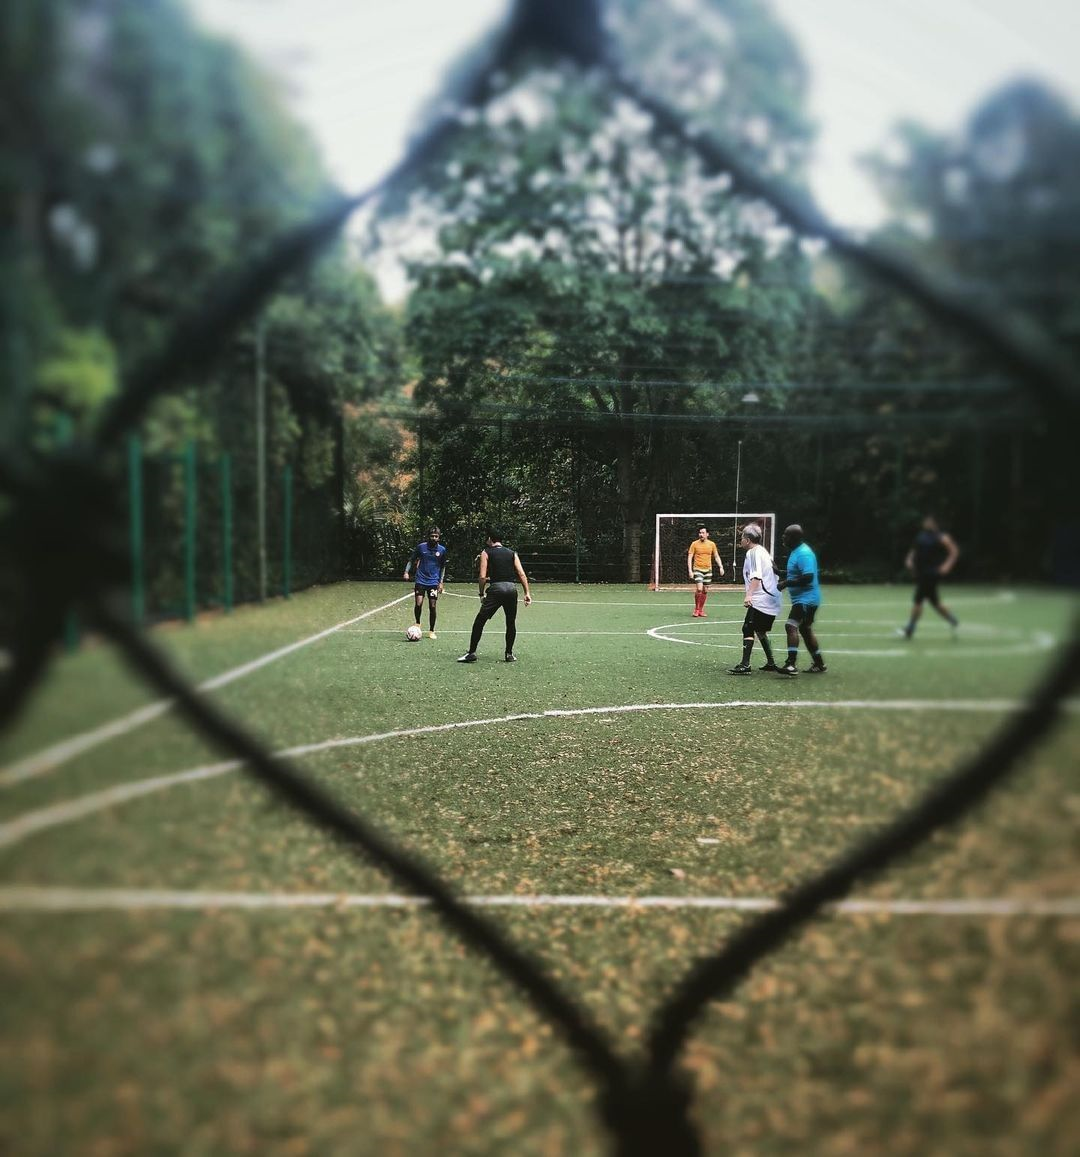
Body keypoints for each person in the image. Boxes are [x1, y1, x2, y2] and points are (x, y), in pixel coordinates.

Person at [458, 529, 532, 663]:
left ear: (490, 539)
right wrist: (527, 593)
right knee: (510, 622)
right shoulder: (512, 553)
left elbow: (482, 576)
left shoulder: (486, 552)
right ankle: (509, 654)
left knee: (480, 621)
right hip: (511, 589)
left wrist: (481, 593)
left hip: (496, 589)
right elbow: (521, 573)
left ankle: (471, 653)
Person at [728, 523, 782, 675]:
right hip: (771, 598)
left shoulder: (753, 553)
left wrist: (749, 595)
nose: (741, 540)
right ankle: (771, 662)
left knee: (748, 628)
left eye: (742, 537)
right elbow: (775, 570)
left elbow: (756, 576)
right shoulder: (763, 551)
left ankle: (745, 665)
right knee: (760, 630)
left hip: (762, 598)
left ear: (748, 539)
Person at [776, 523, 825, 675]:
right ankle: (819, 664)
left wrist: (786, 583)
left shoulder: (804, 553)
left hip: (806, 599)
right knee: (805, 628)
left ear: (794, 538)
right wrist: (779, 572)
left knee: (791, 626)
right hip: (806, 599)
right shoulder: (796, 551)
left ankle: (791, 665)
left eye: (786, 534)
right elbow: (796, 573)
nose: (783, 537)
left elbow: (808, 577)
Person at [901, 515, 959, 638]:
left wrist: (947, 565)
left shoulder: (941, 537)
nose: (927, 524)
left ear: (935, 524)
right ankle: (952, 619)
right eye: (926, 521)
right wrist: (910, 559)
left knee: (918, 599)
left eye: (930, 522)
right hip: (922, 573)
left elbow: (954, 551)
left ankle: (910, 628)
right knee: (935, 602)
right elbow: (914, 550)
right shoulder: (920, 537)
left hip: (931, 573)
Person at [403, 525, 447, 639]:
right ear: (428, 536)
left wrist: (441, 582)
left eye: (436, 536)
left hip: (433, 582)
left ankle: (432, 630)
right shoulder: (421, 547)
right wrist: (406, 572)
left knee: (432, 606)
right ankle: (418, 622)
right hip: (421, 580)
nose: (433, 538)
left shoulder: (442, 550)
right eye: (432, 536)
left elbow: (443, 567)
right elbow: (411, 560)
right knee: (418, 603)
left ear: (439, 537)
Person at [687, 525, 725, 616]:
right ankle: (696, 609)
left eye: (703, 533)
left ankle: (701, 610)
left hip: (708, 570)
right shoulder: (694, 544)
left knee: (705, 590)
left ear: (707, 534)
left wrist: (721, 566)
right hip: (697, 569)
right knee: (699, 589)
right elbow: (690, 557)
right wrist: (690, 570)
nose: (701, 534)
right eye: (700, 533)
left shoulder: (712, 544)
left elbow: (716, 556)